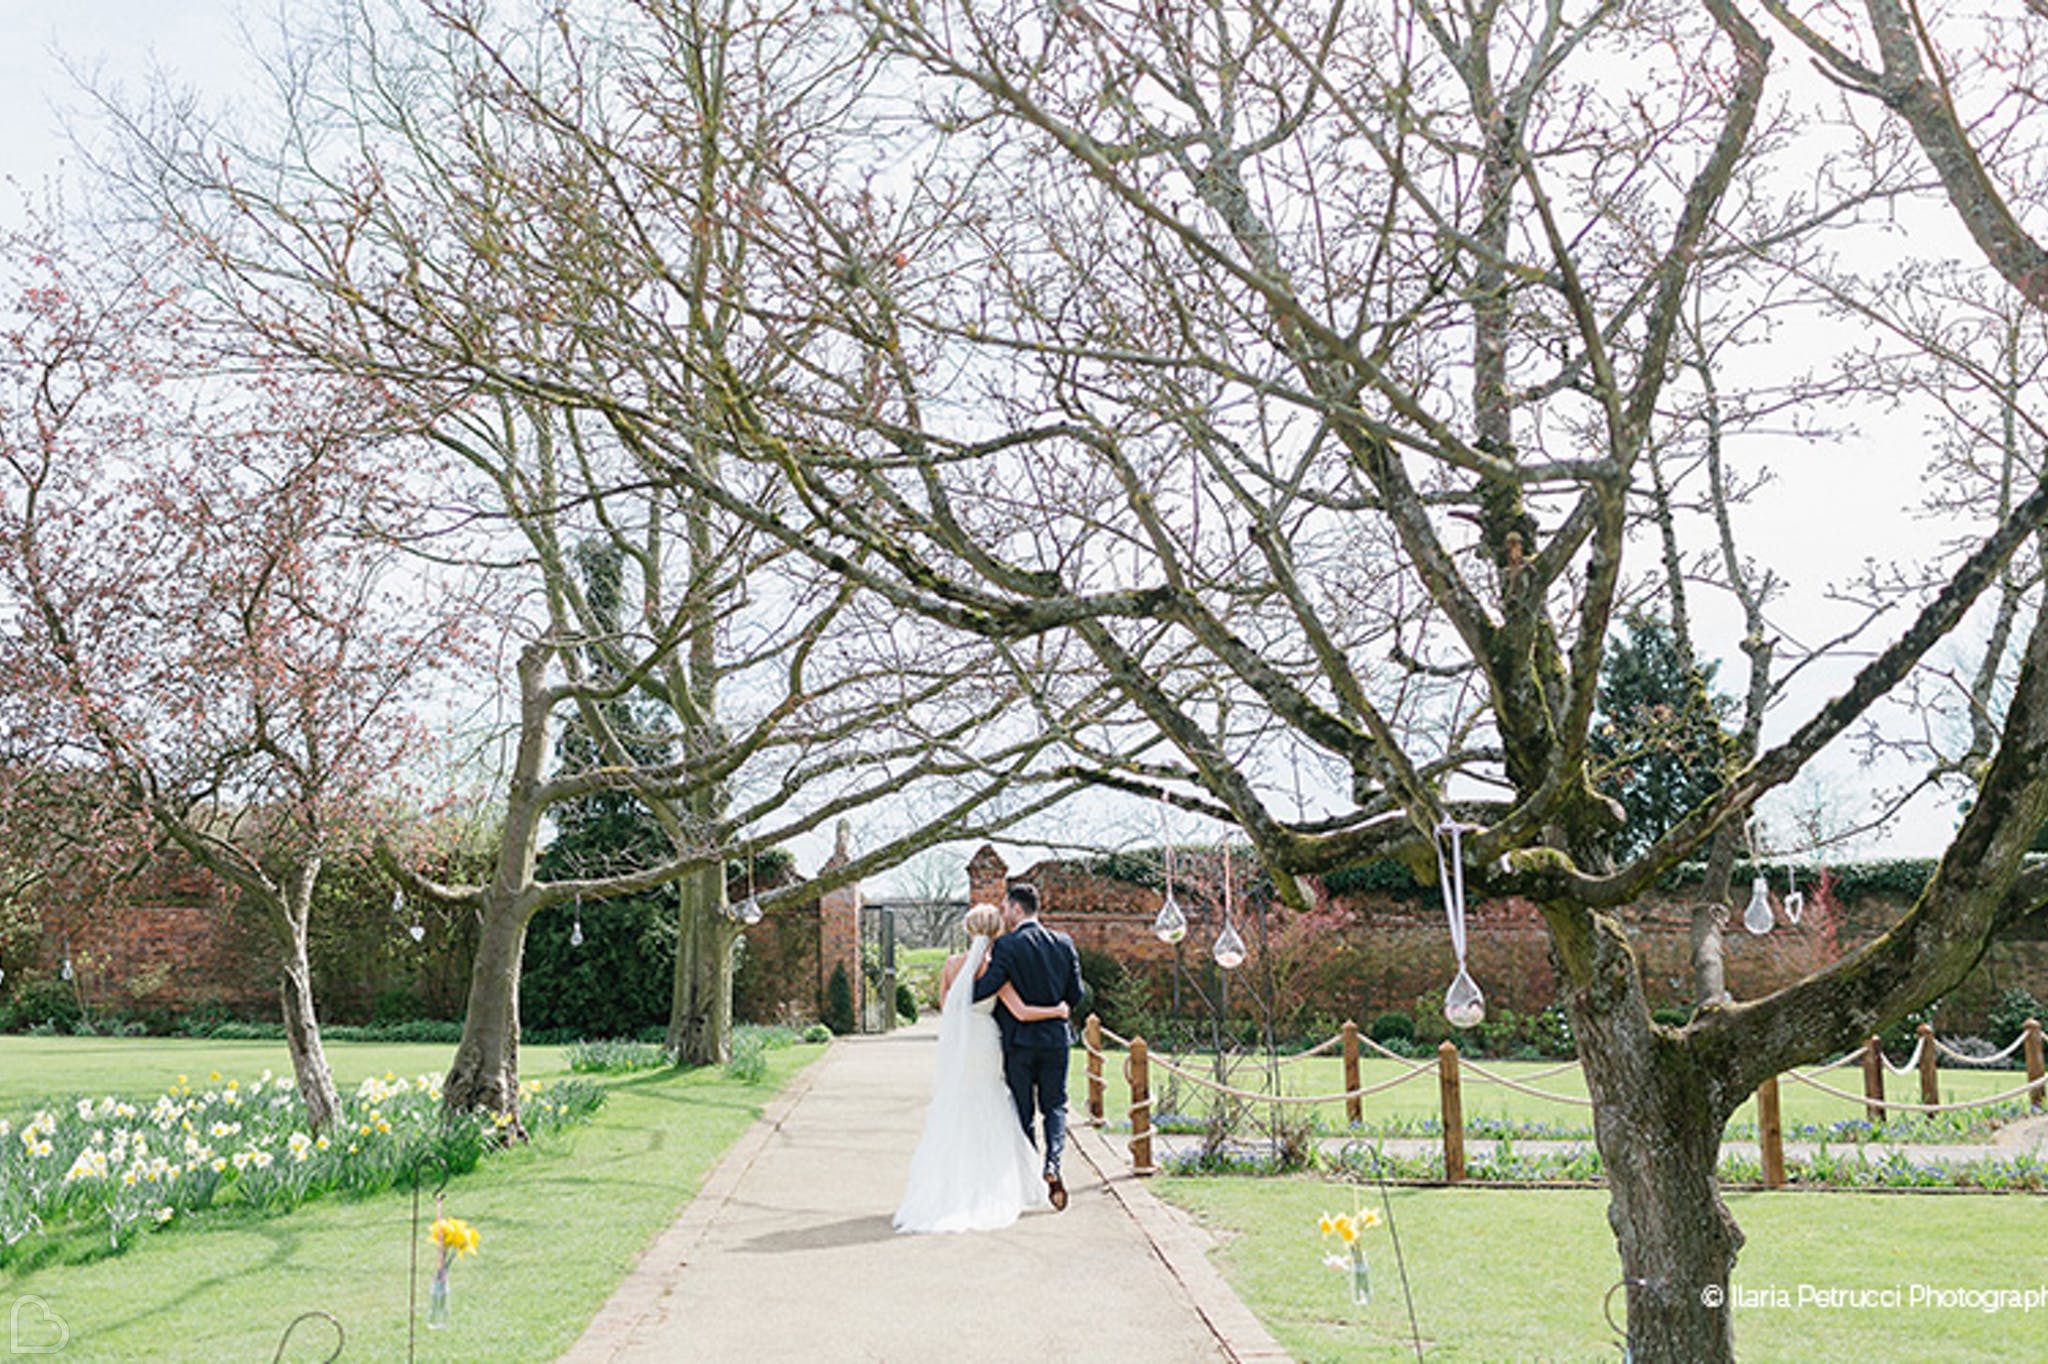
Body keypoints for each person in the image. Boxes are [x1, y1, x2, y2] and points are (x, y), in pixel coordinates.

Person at [893, 904, 1070, 1233]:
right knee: (991, 1099)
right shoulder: (994, 967)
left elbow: (948, 1008)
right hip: (987, 1040)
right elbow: (1021, 1012)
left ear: (967, 929)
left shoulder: (950, 965)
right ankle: (1007, 1179)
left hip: (961, 1042)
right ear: (995, 931)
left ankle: (950, 1186)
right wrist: (1058, 1011)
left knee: (958, 1101)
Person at [971, 884, 1086, 1212]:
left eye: (1006, 908)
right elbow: (1076, 994)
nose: (1004, 914)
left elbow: (988, 987)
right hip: (1055, 1039)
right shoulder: (1064, 943)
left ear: (1017, 909)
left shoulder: (1007, 945)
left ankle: (1031, 1174)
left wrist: (960, 991)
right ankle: (1053, 1163)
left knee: (1022, 1110)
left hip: (1019, 1042)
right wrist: (1056, 1005)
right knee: (1056, 1105)